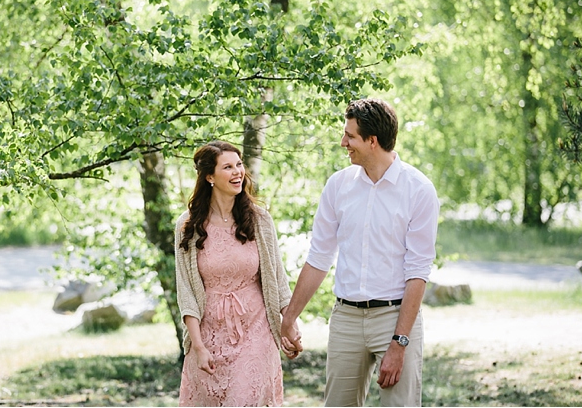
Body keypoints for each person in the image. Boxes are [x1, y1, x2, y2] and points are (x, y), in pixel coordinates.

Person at [280, 99, 439, 407]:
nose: (343, 143)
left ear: (372, 141)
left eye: (350, 136)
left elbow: (418, 271)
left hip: (395, 318)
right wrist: (290, 316)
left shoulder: (418, 189)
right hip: (346, 320)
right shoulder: (338, 186)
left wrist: (399, 343)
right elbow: (318, 258)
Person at [175, 140, 298, 407]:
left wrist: (290, 324)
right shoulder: (187, 225)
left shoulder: (259, 219)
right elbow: (186, 292)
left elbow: (278, 278)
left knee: (245, 399)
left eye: (239, 165)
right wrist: (197, 346)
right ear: (209, 176)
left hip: (255, 330)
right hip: (208, 335)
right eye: (228, 167)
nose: (237, 172)